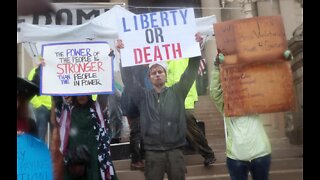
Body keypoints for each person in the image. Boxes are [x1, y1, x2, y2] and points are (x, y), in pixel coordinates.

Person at [117, 32, 203, 180]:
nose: (157, 74)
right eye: (153, 72)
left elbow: (190, 72)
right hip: (152, 153)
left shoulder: (177, 92)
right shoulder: (143, 96)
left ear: (165, 75)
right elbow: (128, 81)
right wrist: (123, 54)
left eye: (160, 71)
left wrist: (196, 48)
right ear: (149, 78)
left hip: (175, 151)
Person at [209, 50, 293, 180]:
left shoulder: (255, 98)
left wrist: (284, 62)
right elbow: (215, 91)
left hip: (260, 155)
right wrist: (216, 68)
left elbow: (276, 84)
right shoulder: (226, 105)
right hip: (236, 158)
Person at [32, 56, 118, 180]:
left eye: (85, 92)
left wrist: (108, 60)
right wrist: (43, 69)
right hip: (74, 162)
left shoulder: (98, 108)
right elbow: (51, 91)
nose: (82, 95)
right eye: (78, 92)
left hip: (96, 160)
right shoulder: (66, 111)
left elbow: (105, 87)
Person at [166, 58, 216, 166]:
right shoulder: (166, 60)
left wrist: (196, 46)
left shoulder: (184, 53)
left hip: (185, 95)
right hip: (171, 97)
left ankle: (207, 153)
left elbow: (193, 65)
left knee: (188, 124)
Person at [120, 65, 151, 170]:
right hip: (133, 103)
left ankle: (141, 157)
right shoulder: (132, 68)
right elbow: (127, 77)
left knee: (143, 131)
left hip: (144, 101)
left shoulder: (145, 67)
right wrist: (123, 55)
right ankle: (136, 160)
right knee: (137, 131)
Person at [28, 67, 52, 143]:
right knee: (40, 135)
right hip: (42, 108)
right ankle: (38, 153)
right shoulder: (34, 71)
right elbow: (29, 89)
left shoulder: (55, 70)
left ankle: (52, 154)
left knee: (57, 137)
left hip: (54, 108)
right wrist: (38, 105)